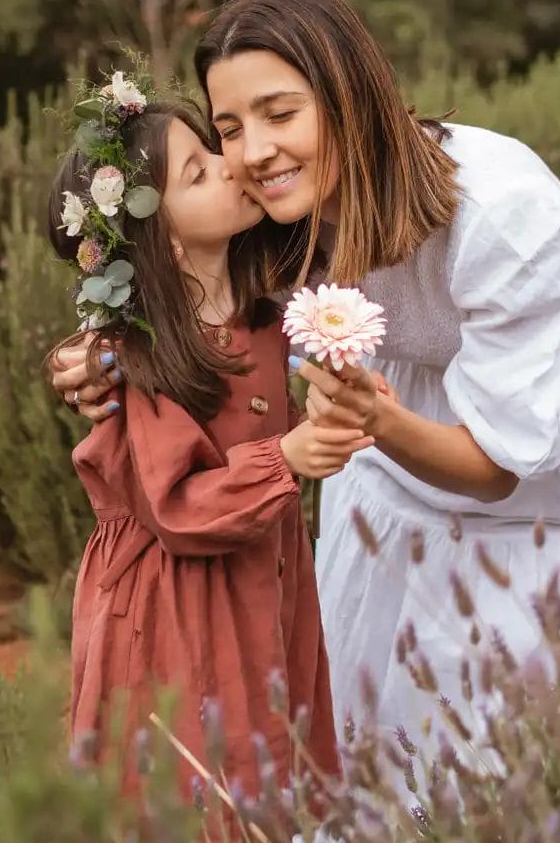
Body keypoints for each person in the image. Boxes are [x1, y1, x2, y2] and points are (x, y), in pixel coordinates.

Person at [52, 0, 560, 751]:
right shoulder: (277, 209)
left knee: (510, 753)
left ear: (349, 94)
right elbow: (178, 282)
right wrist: (97, 349)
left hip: (534, 473)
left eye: (281, 114)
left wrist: (375, 420)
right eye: (229, 129)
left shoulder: (508, 219)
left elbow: (497, 468)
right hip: (385, 465)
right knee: (368, 739)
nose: (252, 153)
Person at [47, 79, 355, 801]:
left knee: (267, 751)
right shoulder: (139, 355)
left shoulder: (261, 311)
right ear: (161, 236)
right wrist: (285, 458)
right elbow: (173, 505)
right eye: (199, 170)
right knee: (195, 771)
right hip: (173, 600)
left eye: (212, 152)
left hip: (255, 573)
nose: (230, 164)